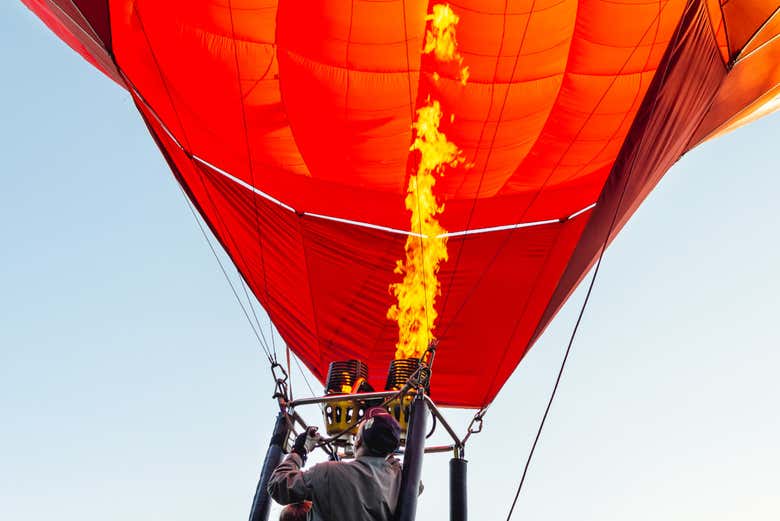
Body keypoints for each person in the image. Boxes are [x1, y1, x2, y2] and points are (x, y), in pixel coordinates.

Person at [267, 407, 407, 521]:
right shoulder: (401, 478)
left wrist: (298, 452)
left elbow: (277, 485)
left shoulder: (328, 472)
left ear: (357, 441)